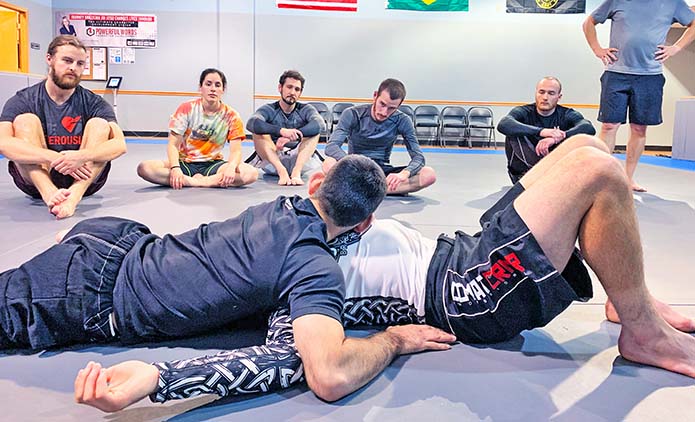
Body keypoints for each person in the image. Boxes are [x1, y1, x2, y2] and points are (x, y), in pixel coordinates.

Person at [73, 134, 695, 413]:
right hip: (462, 295)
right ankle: (641, 329)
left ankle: (628, 296)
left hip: (461, 249)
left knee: (580, 151)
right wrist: (158, 379)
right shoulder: (306, 274)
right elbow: (292, 362)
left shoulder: (288, 214)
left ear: (314, 180)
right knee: (601, 175)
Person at [0, 155, 454, 408]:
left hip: (122, 237)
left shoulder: (282, 208)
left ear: (315, 183)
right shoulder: (315, 267)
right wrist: (392, 339)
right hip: (96, 291)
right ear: (365, 224)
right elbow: (330, 375)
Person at [0, 35, 126, 219]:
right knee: (24, 121)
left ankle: (74, 195)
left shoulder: (94, 102)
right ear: (49, 59)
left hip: (84, 178)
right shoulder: (23, 99)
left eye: (80, 63)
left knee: (99, 124)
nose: (73, 68)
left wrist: (82, 156)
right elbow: (3, 142)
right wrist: (53, 158)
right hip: (36, 180)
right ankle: (49, 192)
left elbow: (120, 144)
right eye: (67, 60)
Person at [583, 1, 695, 192]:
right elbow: (589, 22)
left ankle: (627, 179)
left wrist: (676, 47)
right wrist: (597, 49)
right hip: (616, 73)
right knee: (609, 125)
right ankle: (603, 178)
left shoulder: (672, 3)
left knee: (639, 128)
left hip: (649, 76)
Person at [136, 68, 258, 189]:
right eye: (208, 84)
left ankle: (199, 182)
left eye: (217, 85)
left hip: (213, 165)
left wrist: (231, 167)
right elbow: (173, 144)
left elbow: (236, 151)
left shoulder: (231, 115)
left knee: (251, 173)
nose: (213, 89)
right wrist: (175, 168)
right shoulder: (186, 109)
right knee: (145, 168)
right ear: (201, 87)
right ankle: (198, 181)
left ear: (223, 90)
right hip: (185, 163)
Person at [323, 78, 436, 195]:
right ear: (375, 96)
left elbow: (419, 157)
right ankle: (377, 191)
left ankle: (364, 190)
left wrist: (404, 174)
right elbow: (331, 147)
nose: (384, 112)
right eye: (382, 104)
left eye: (392, 108)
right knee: (329, 163)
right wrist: (353, 164)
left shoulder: (402, 120)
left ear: (399, 105)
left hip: (381, 171)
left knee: (429, 175)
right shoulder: (353, 114)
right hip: (355, 169)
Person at [497, 76, 595, 183]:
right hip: (525, 174)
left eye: (551, 93)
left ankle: (549, 174)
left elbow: (588, 127)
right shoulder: (524, 111)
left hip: (555, 171)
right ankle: (541, 173)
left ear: (559, 96)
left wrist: (557, 138)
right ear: (536, 94)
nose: (545, 97)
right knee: (512, 130)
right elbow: (504, 124)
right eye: (541, 92)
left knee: (579, 137)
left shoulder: (566, 114)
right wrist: (542, 131)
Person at [246, 70, 325, 186]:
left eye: (297, 89)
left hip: (299, 160)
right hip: (273, 160)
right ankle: (282, 172)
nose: (292, 92)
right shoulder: (269, 109)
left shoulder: (305, 109)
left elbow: (320, 124)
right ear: (280, 88)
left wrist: (293, 136)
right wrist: (281, 131)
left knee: (314, 133)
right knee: (258, 132)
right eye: (289, 87)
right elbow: (251, 123)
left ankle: (296, 173)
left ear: (300, 93)